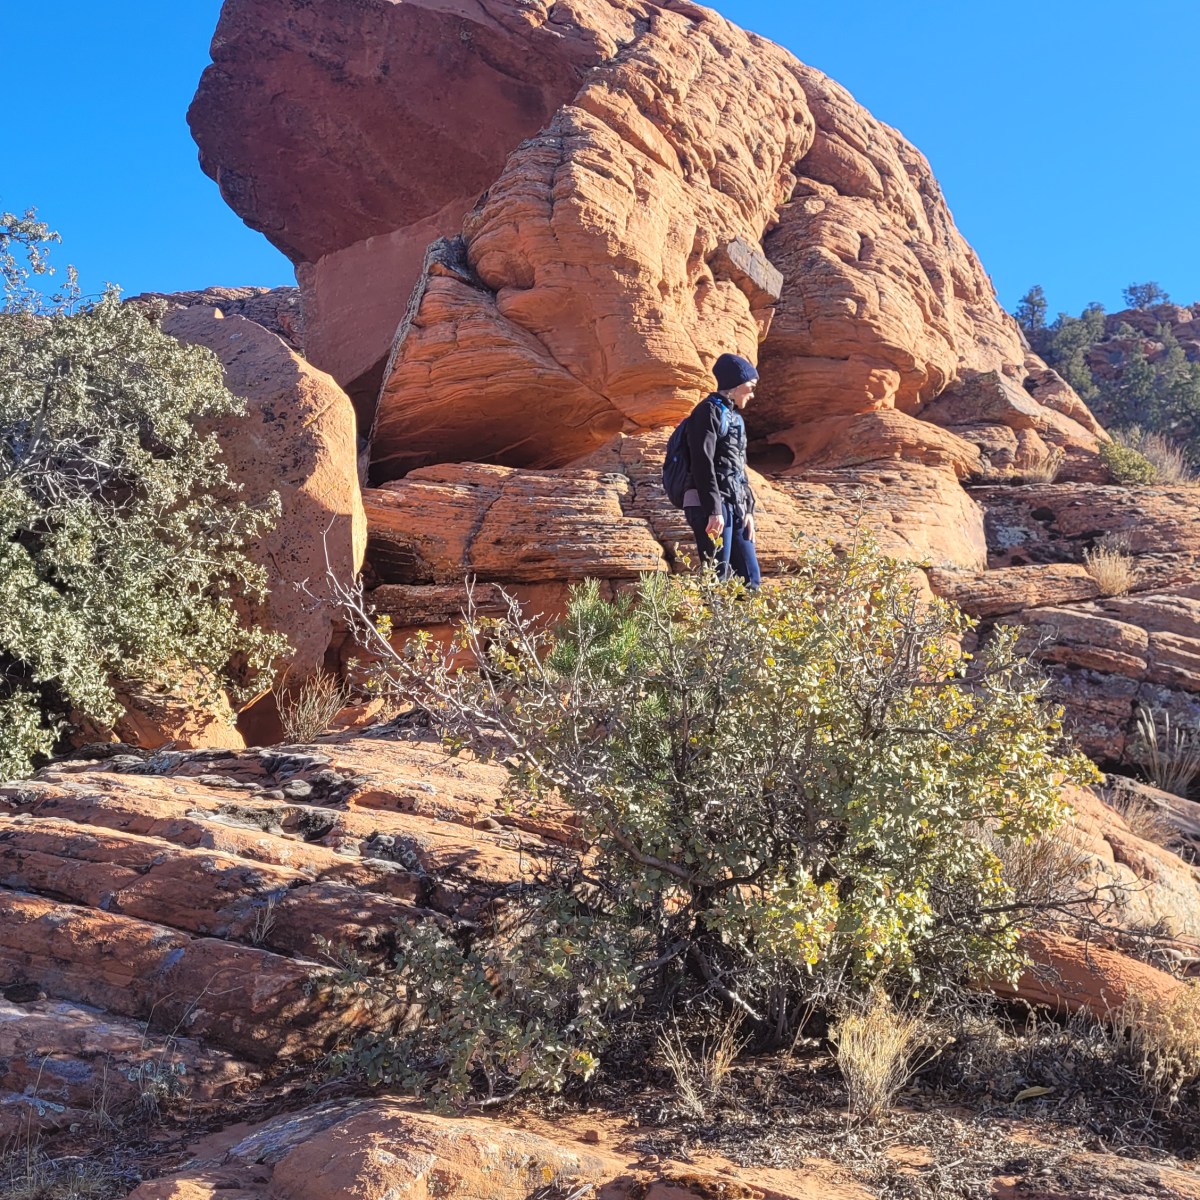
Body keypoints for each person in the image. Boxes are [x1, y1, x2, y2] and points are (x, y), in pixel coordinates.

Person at [682, 352, 762, 588]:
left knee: (750, 579)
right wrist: (713, 510)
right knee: (717, 577)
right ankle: (713, 625)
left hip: (734, 506)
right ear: (736, 384)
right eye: (751, 386)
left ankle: (742, 626)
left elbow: (739, 468)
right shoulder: (707, 412)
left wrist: (748, 510)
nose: (753, 393)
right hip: (711, 506)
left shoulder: (735, 418)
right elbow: (702, 462)